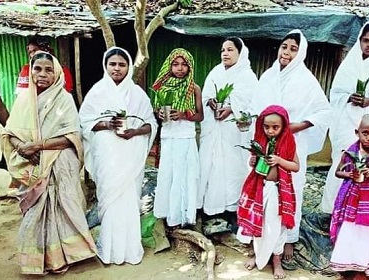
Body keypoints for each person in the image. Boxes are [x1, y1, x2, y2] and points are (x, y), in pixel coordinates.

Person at [0, 51, 96, 274]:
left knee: (61, 208)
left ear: (57, 73)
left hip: (59, 162)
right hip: (31, 163)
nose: (42, 74)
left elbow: (72, 136)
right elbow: (9, 133)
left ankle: (66, 256)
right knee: (36, 212)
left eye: (48, 69)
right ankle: (36, 260)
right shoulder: (24, 99)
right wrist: (22, 148)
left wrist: (38, 146)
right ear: (31, 71)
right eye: (37, 69)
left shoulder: (64, 99)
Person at [252, 29, 331, 259]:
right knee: (265, 188)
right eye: (284, 47)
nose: (286, 52)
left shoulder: (306, 80)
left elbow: (324, 111)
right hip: (267, 142)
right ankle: (261, 236)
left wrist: (295, 126)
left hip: (293, 144)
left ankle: (289, 238)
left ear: (301, 52)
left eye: (293, 49)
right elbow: (257, 107)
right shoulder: (268, 76)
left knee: (291, 190)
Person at [79, 47, 157, 265]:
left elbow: (151, 124)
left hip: (130, 154)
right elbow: (84, 122)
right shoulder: (97, 92)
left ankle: (131, 250)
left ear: (128, 67)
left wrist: (134, 131)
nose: (117, 68)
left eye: (122, 64)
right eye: (113, 64)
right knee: (110, 201)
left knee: (129, 200)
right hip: (107, 155)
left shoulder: (137, 93)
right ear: (106, 65)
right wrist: (106, 124)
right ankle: (110, 250)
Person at [321, 21, 369, 215]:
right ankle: (332, 210)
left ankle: (357, 211)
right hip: (347, 120)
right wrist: (350, 97)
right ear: (360, 41)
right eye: (365, 40)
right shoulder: (350, 62)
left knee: (366, 166)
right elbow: (336, 92)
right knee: (343, 161)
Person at [198, 37, 258, 231]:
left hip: (233, 132)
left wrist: (232, 108)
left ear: (240, 53)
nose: (225, 53)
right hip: (214, 128)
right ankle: (208, 208)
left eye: (230, 50)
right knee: (210, 165)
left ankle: (232, 209)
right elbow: (206, 95)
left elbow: (251, 103)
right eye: (223, 50)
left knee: (232, 168)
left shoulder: (247, 76)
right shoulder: (215, 71)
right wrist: (211, 103)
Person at [237, 105, 299, 279]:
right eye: (266, 127)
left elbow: (295, 166)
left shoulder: (288, 141)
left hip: (278, 191)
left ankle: (276, 259)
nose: (270, 131)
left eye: (275, 127)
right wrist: (253, 161)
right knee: (258, 221)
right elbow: (253, 164)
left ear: (284, 126)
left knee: (276, 226)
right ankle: (257, 254)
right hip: (259, 188)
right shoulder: (259, 141)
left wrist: (279, 160)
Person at [329, 113, 369, 279]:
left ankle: (362, 267)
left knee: (366, 232)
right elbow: (338, 172)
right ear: (357, 132)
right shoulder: (350, 152)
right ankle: (347, 265)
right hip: (351, 199)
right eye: (365, 133)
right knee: (349, 230)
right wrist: (350, 175)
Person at [152, 48, 204, 227]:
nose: (180, 68)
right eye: (175, 64)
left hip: (186, 137)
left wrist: (183, 114)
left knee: (186, 175)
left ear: (190, 67)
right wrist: (159, 113)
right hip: (169, 136)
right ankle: (168, 214)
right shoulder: (162, 87)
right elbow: (156, 111)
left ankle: (186, 215)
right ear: (169, 66)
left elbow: (200, 116)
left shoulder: (194, 88)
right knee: (169, 174)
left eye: (184, 65)